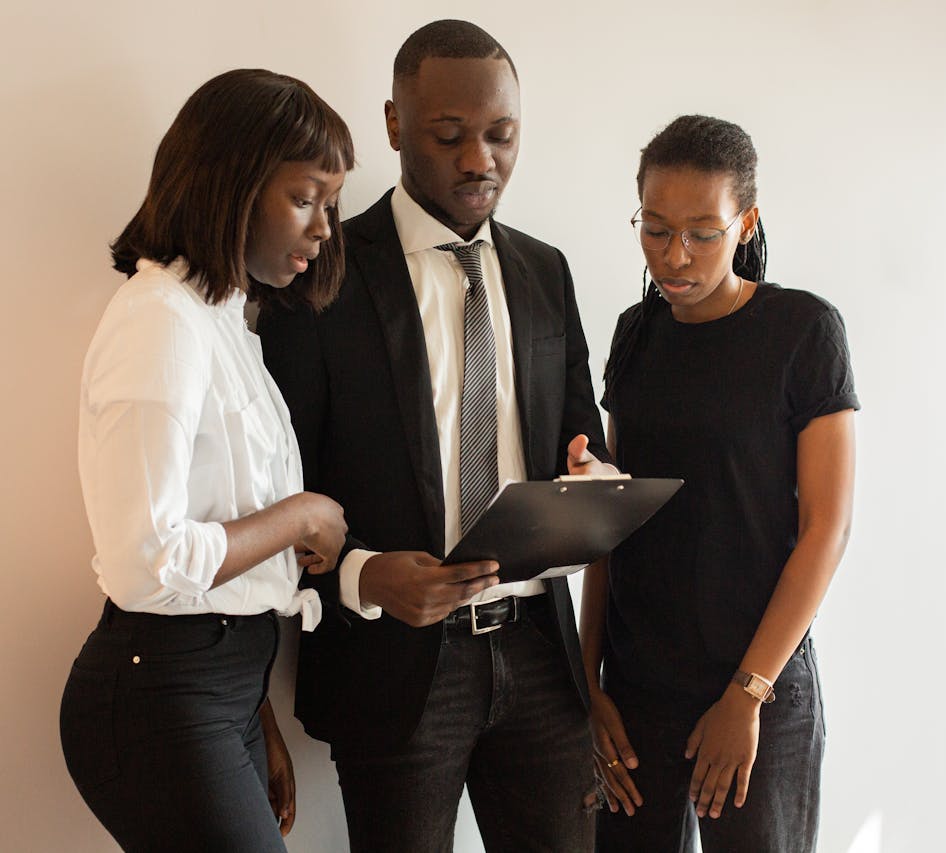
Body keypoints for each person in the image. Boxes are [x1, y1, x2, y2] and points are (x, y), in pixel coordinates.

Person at [258, 19, 613, 853]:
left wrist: (592, 478)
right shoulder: (323, 273)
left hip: (539, 654)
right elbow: (275, 485)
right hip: (394, 665)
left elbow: (580, 436)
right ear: (393, 125)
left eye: (501, 135)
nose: (479, 159)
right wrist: (365, 574)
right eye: (449, 135)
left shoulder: (544, 270)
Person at [58, 69, 354, 852]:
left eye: (332, 203)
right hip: (159, 694)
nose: (325, 228)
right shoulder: (159, 323)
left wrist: (255, 710)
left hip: (218, 689)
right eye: (305, 197)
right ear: (232, 183)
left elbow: (214, 553)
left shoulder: (220, 321)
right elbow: (145, 563)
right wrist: (302, 514)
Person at [581, 115, 859, 852]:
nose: (676, 256)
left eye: (704, 232)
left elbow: (827, 528)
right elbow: (613, 522)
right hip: (637, 692)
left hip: (758, 687)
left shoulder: (803, 329)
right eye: (655, 228)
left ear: (747, 223)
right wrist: (589, 682)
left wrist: (748, 693)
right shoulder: (633, 335)